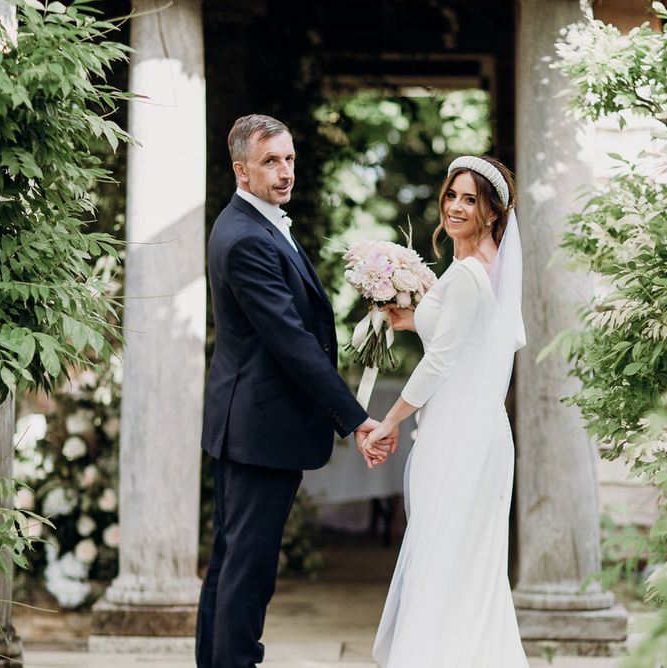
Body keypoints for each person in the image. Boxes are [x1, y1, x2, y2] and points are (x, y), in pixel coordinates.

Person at [196, 114, 396, 668]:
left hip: (250, 422)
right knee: (248, 569)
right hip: (260, 427)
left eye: (288, 158)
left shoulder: (257, 222)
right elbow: (292, 342)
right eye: (270, 162)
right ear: (241, 170)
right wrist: (357, 418)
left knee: (234, 562)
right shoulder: (245, 239)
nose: (285, 172)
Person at [365, 155, 529, 667]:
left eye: (470, 199)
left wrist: (388, 421)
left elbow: (439, 363)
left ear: (493, 213)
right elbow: (474, 337)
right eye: (452, 195)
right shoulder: (487, 272)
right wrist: (413, 318)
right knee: (468, 562)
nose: (456, 206)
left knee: (444, 558)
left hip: (457, 436)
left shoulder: (467, 276)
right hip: (485, 433)